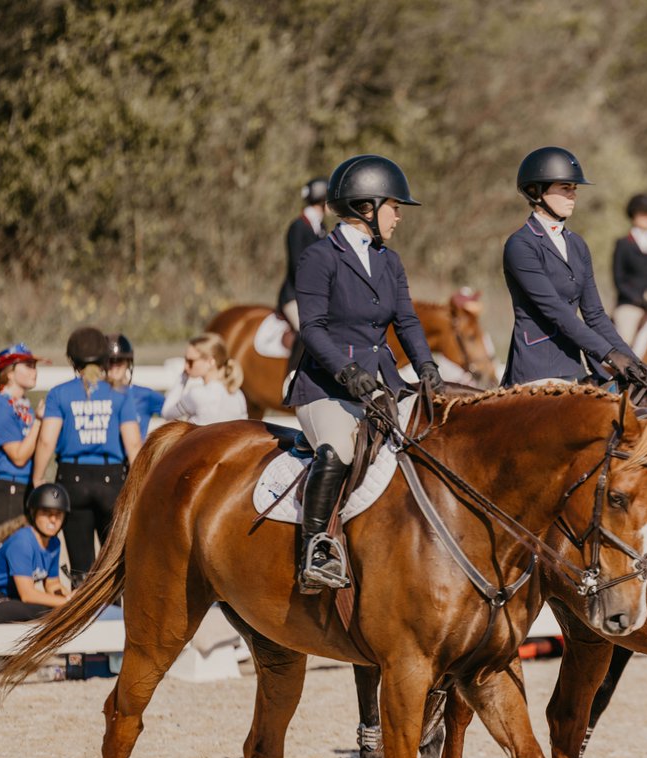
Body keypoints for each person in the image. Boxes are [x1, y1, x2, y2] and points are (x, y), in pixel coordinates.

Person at [284, 154, 444, 592]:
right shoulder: (320, 257)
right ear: (366, 207)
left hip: (384, 383)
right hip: (326, 388)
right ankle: (315, 550)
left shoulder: (388, 261)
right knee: (338, 450)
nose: (399, 217)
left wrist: (427, 366)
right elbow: (312, 327)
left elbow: (407, 322)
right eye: (394, 207)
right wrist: (346, 371)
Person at [501, 146, 647, 388]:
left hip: (576, 366)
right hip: (538, 369)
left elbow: (594, 314)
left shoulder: (577, 245)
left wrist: (632, 359)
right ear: (536, 191)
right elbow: (556, 311)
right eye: (565, 188)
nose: (573, 195)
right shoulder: (521, 245)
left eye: (574, 189)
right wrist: (610, 355)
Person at [32, 327, 142, 583]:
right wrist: (138, 483)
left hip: (72, 478)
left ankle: (86, 617)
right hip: (111, 479)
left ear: (73, 360)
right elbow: (134, 445)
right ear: (104, 358)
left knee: (81, 567)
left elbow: (47, 440)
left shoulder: (59, 394)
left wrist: (37, 478)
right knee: (114, 564)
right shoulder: (120, 395)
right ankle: (113, 615)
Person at [0, 483, 72, 624]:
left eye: (58, 514)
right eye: (46, 513)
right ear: (33, 513)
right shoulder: (22, 542)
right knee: (45, 611)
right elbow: (27, 594)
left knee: (58, 610)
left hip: (8, 600)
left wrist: (72, 598)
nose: (53, 519)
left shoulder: (54, 543)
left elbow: (52, 585)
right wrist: (67, 603)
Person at [0, 344, 47, 527]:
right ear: (10, 372)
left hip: (25, 488)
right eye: (28, 365)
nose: (34, 371)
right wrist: (38, 421)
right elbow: (19, 457)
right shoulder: (0, 407)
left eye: (34, 366)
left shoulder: (23, 405)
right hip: (10, 490)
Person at [611, 193, 647, 345]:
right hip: (630, 304)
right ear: (634, 216)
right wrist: (637, 298)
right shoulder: (623, 244)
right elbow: (619, 279)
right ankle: (623, 368)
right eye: (644, 214)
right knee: (626, 338)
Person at [161, 332, 248, 425]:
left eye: (190, 361)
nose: (185, 366)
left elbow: (166, 413)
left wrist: (182, 378)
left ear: (210, 361)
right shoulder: (238, 395)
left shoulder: (196, 394)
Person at [278, 176, 329, 332]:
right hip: (295, 297)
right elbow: (298, 267)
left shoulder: (321, 227)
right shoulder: (299, 227)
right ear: (322, 200)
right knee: (310, 332)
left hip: (315, 297)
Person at [105, 333, 164, 440]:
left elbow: (174, 412)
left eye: (119, 361)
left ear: (128, 363)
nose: (114, 367)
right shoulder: (94, 395)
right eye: (110, 362)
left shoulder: (145, 395)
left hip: (136, 455)